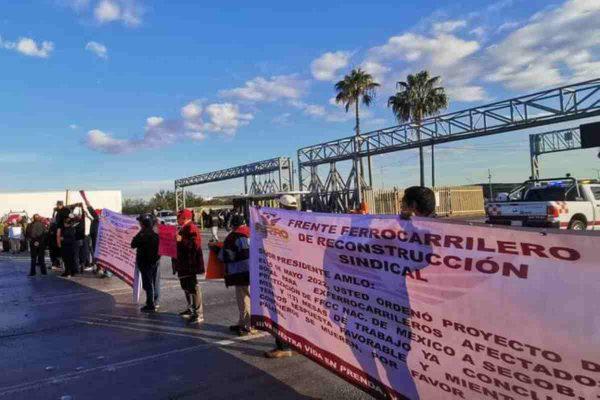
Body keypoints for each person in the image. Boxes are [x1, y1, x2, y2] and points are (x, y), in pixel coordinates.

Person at [264, 194, 299, 359]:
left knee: (280, 310)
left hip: (281, 274)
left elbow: (267, 237)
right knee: (293, 310)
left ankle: (284, 346)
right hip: (296, 275)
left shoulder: (281, 223)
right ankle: (295, 342)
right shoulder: (301, 222)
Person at [219, 214, 252, 336]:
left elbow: (227, 256)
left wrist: (217, 250)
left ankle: (248, 325)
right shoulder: (252, 232)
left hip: (240, 272)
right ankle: (243, 322)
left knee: (243, 299)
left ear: (233, 225)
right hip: (254, 270)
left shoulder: (233, 237)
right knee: (249, 297)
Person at [174, 209, 205, 324]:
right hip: (183, 263)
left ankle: (198, 313)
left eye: (179, 217)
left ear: (185, 218)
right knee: (186, 286)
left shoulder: (191, 228)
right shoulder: (183, 227)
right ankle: (191, 308)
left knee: (193, 287)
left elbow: (195, 245)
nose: (177, 219)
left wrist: (182, 240)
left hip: (190, 263)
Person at [131, 214, 161, 312]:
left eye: (140, 222)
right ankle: (156, 302)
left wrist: (140, 233)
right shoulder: (155, 233)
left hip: (146, 263)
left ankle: (150, 304)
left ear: (143, 223)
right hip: (156, 261)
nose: (139, 223)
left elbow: (133, 244)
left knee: (148, 284)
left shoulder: (143, 234)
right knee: (155, 282)